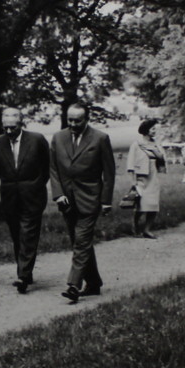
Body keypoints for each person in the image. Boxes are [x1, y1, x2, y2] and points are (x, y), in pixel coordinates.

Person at [49, 102, 116, 303]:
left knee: (81, 240)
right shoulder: (58, 137)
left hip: (90, 198)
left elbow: (109, 172)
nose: (73, 124)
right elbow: (53, 169)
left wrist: (105, 200)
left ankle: (73, 285)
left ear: (87, 119)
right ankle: (94, 283)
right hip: (66, 200)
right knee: (79, 242)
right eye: (70, 119)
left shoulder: (100, 138)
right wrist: (58, 194)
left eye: (77, 120)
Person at [0, 107, 49, 294]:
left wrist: (34, 186)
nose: (8, 131)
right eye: (5, 127)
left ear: (21, 123)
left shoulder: (37, 140)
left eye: (12, 128)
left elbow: (46, 167)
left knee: (28, 234)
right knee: (17, 235)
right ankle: (25, 272)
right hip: (9, 196)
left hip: (33, 195)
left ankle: (22, 275)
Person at [126, 119, 166, 239]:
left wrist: (155, 151)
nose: (155, 131)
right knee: (141, 205)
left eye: (155, 129)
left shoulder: (156, 144)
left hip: (153, 176)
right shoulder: (137, 144)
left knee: (153, 204)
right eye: (153, 129)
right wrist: (133, 181)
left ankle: (147, 230)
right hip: (141, 177)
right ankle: (135, 228)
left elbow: (162, 159)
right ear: (146, 129)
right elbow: (130, 164)